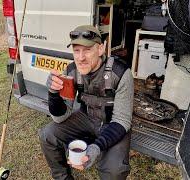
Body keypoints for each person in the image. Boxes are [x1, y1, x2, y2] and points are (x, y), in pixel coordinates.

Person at [38, 25, 134, 180]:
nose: (80, 57)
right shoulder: (72, 71)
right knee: (47, 134)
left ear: (101, 49)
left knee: (114, 170)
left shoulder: (121, 73)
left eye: (87, 50)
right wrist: (53, 93)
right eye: (76, 50)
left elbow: (122, 120)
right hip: (86, 118)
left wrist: (96, 147)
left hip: (112, 123)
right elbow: (60, 118)